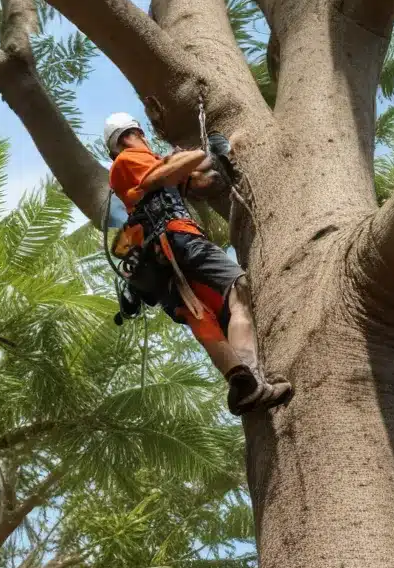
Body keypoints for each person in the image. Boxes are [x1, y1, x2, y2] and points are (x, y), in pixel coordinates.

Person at [103, 112, 292, 416]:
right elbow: (156, 177)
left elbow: (201, 180)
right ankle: (254, 375)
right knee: (239, 288)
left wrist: (205, 159)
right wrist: (196, 153)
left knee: (201, 315)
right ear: (131, 133)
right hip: (179, 240)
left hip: (163, 258)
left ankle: (240, 383)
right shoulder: (129, 159)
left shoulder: (146, 166)